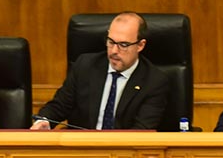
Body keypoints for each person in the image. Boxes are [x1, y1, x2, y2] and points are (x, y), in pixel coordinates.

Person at [30, 12, 169, 131]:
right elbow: (59, 106)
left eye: (123, 45)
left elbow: (141, 131)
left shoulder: (154, 81)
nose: (114, 51)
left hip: (124, 155)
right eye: (111, 42)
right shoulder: (85, 66)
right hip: (82, 151)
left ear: (140, 45)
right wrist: (43, 121)